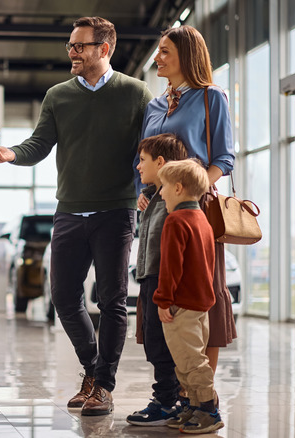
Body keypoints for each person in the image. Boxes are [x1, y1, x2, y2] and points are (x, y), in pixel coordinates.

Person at [0, 16, 152, 416]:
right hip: (70, 210)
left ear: (103, 49)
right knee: (62, 296)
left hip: (116, 210)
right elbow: (38, 145)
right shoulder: (58, 95)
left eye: (80, 46)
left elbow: (145, 150)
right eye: (70, 46)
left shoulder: (136, 93)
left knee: (111, 300)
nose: (72, 52)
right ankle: (95, 372)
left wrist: (146, 191)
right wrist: (10, 154)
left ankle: (102, 387)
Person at [133, 24, 236, 378]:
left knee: (198, 293)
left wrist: (189, 191)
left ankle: (197, 391)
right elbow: (143, 158)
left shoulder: (211, 97)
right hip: (156, 212)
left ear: (186, 57)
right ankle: (169, 386)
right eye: (158, 51)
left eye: (165, 52)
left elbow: (222, 159)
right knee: (160, 292)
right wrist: (140, 194)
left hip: (195, 212)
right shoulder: (155, 105)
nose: (158, 57)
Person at [154, 159, 224, 434]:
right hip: (200, 304)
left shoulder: (176, 221)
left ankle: (208, 410)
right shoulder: (202, 221)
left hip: (180, 305)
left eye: (164, 188)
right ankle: (195, 406)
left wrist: (163, 300)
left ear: (179, 188)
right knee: (187, 358)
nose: (160, 193)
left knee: (191, 361)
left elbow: (171, 266)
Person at [125, 133, 187, 426]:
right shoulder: (155, 196)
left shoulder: (175, 200)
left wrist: (165, 292)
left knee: (160, 343)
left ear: (160, 162)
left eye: (143, 160)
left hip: (161, 281)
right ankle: (169, 397)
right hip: (149, 278)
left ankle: (166, 401)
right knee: (152, 339)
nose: (138, 167)